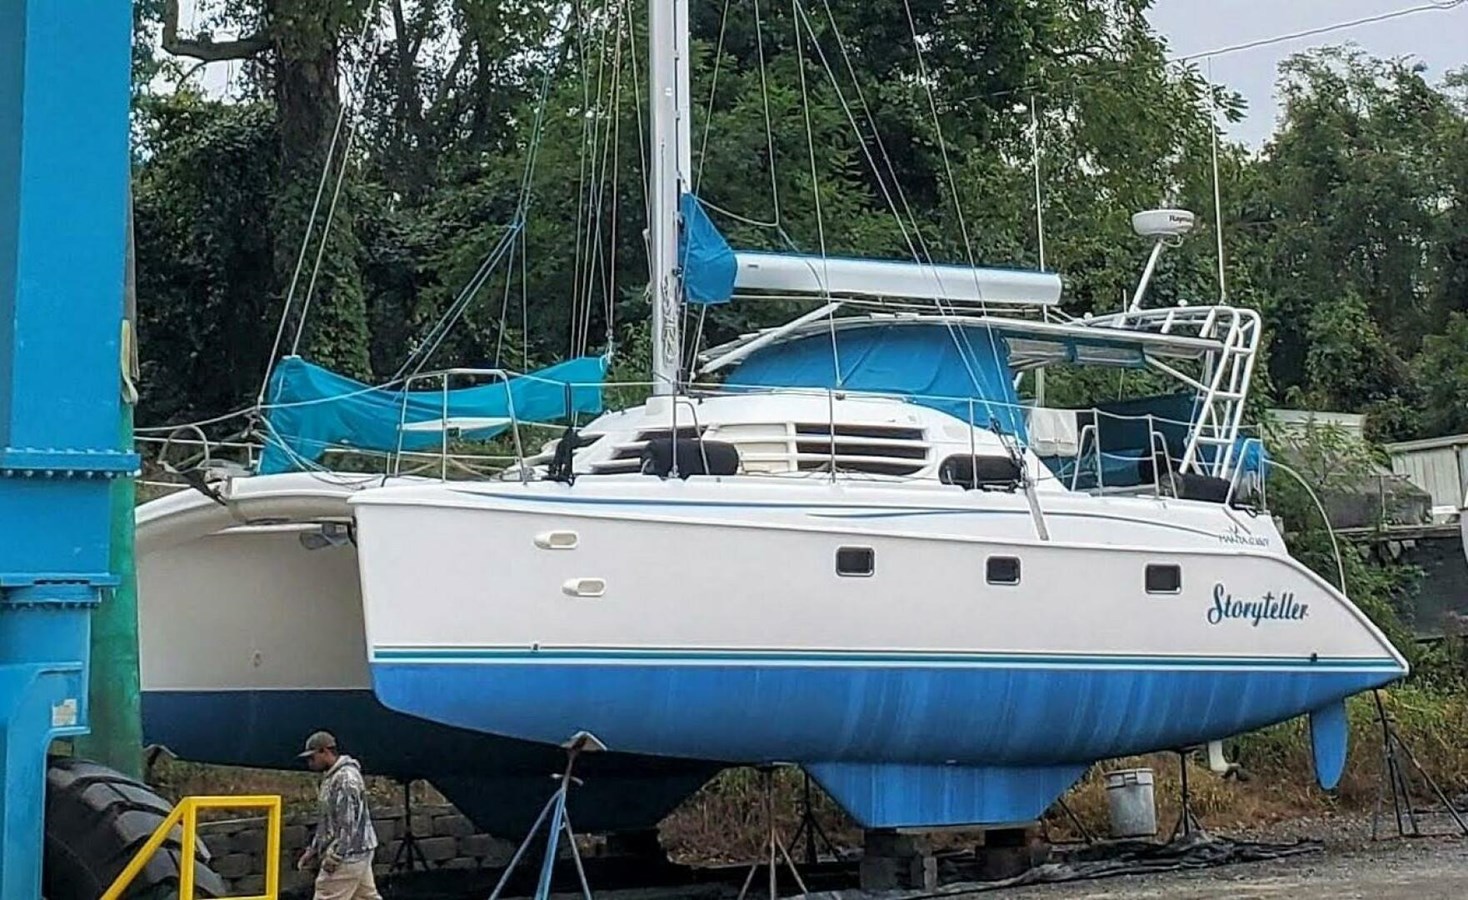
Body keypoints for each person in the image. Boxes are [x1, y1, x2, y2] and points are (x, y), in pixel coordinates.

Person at [295, 731, 382, 900]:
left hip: (349, 854)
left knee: (326, 894)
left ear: (325, 751)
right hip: (359, 850)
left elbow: (349, 823)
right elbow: (327, 821)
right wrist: (313, 849)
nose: (310, 763)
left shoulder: (345, 779)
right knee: (365, 897)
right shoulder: (333, 777)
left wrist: (336, 856)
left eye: (312, 757)